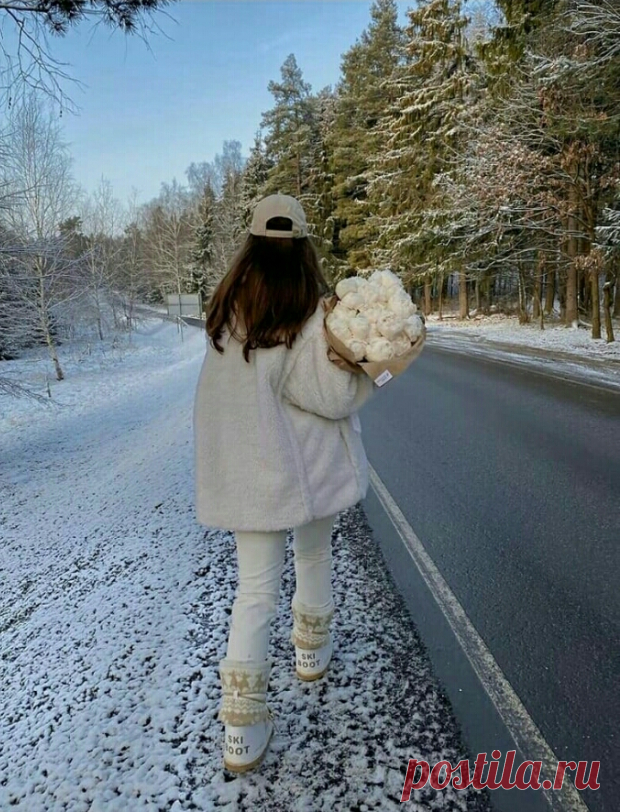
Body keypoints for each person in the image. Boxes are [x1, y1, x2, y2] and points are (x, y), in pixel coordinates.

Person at [193, 193, 375, 773]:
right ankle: (311, 653)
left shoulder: (228, 311)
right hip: (308, 466)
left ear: (250, 245)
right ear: (302, 246)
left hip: (247, 473)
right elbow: (331, 396)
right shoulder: (307, 311)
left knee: (253, 592)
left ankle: (241, 730)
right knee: (314, 554)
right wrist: (367, 370)